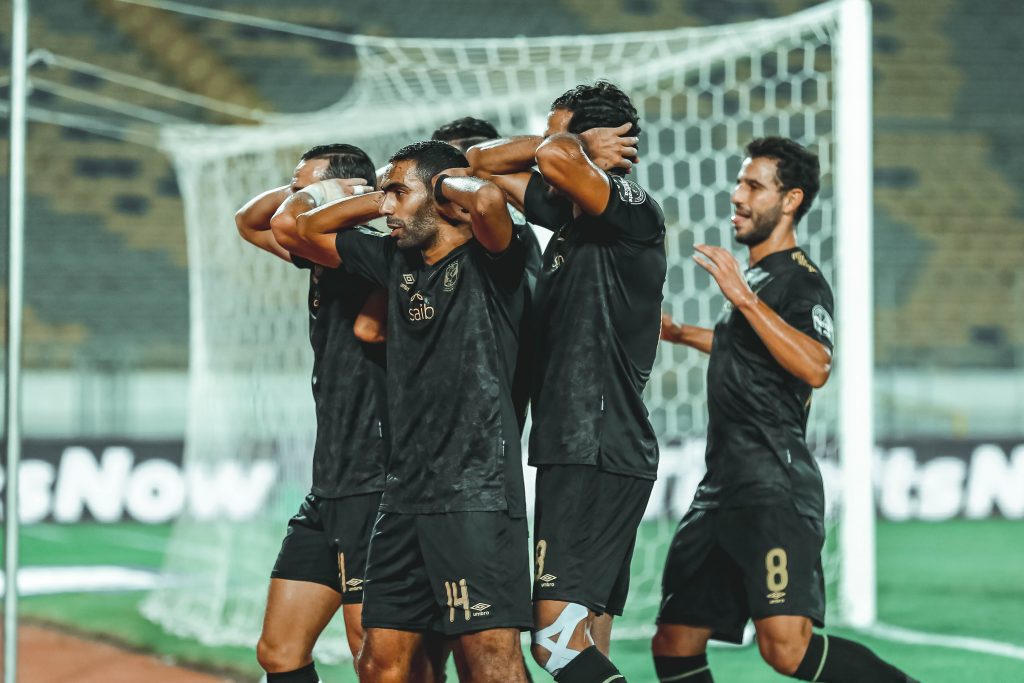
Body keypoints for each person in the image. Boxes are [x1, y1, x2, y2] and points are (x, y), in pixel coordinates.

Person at [654, 137, 918, 683]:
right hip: (723, 487)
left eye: (754, 185)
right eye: (739, 182)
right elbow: (746, 350)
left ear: (791, 199)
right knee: (675, 643)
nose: (737, 195)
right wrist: (681, 333)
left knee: (787, 650)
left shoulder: (800, 281)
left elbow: (816, 364)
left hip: (773, 484)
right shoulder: (758, 277)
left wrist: (743, 301)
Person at [272, 139, 533, 683]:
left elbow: (485, 198)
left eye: (398, 194)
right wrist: (380, 195)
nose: (387, 208)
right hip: (402, 495)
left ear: (441, 197)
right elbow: (302, 226)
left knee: (490, 661)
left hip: (474, 492)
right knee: (379, 664)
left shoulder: (494, 262)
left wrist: (436, 185)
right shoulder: (395, 260)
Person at [468, 81, 667, 682]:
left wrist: (566, 145)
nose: (550, 141)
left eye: (563, 129)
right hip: (587, 447)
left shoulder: (631, 210)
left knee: (553, 643)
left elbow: (552, 157)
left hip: (595, 445)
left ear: (606, 144)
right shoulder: (571, 218)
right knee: (586, 637)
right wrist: (567, 141)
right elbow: (478, 161)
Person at [235, 144, 387, 682]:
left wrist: (352, 201)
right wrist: (313, 192)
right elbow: (251, 221)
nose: (293, 199)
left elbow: (282, 224)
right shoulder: (317, 248)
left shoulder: (365, 251)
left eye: (304, 186)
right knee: (279, 652)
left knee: (371, 653)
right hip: (331, 482)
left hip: (374, 477)